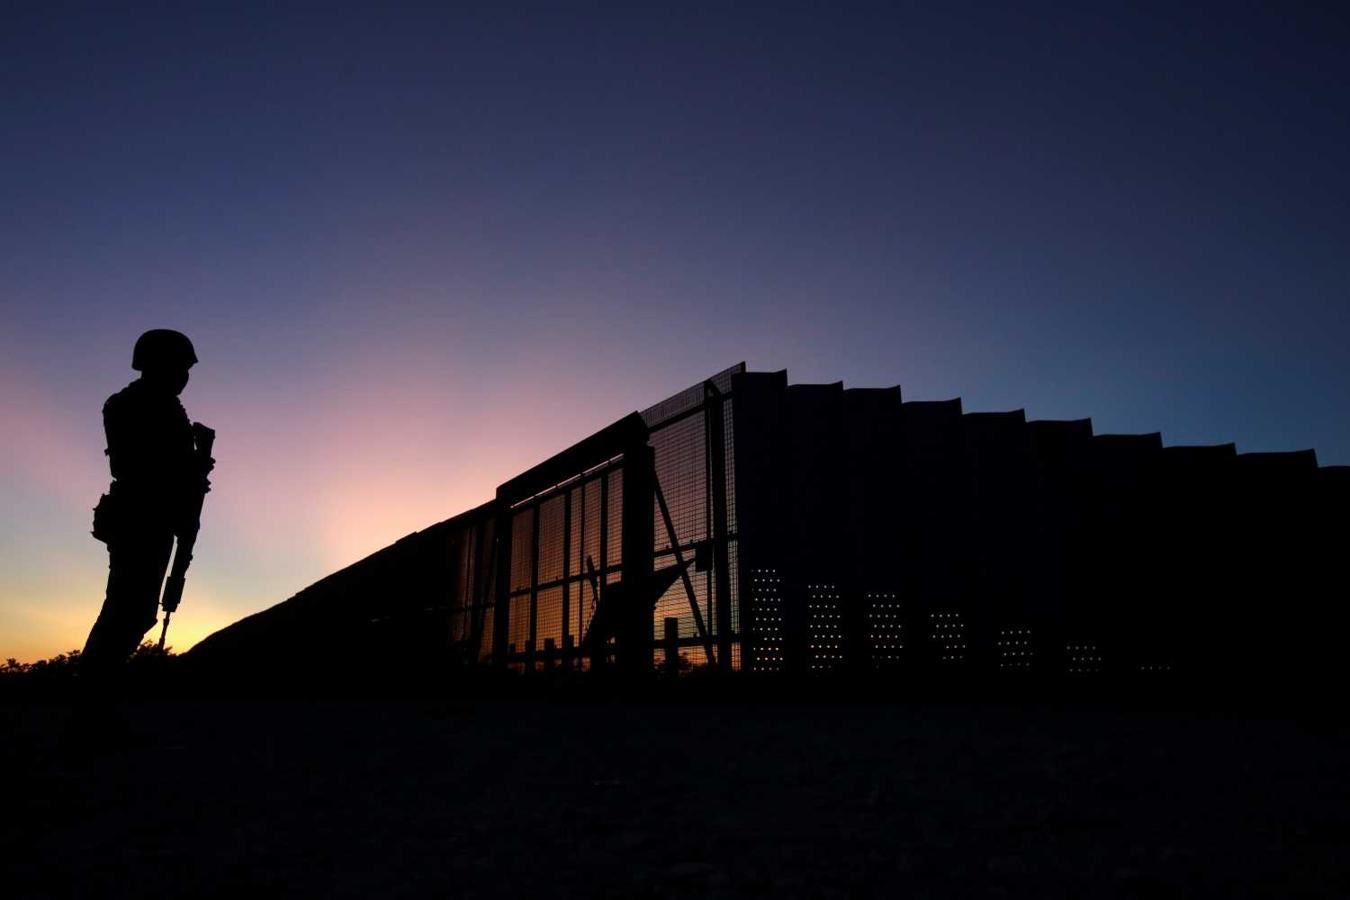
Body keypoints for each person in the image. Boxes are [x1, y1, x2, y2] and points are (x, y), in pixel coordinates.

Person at [81, 329, 212, 684]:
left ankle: (95, 708)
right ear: (158, 365)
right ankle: (88, 712)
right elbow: (134, 466)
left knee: (134, 613)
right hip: (141, 517)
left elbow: (171, 464)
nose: (185, 376)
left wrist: (194, 468)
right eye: (180, 367)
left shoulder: (164, 405)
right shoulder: (136, 403)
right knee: (127, 613)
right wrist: (190, 468)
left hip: (157, 516)